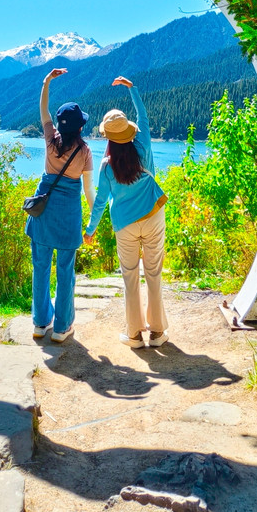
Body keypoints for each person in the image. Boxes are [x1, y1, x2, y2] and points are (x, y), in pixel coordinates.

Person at [84, 77, 168, 348]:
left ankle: (134, 335)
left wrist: (90, 230)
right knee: (154, 274)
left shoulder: (107, 166)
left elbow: (100, 202)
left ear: (107, 137)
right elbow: (144, 117)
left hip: (125, 226)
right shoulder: (143, 146)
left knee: (130, 277)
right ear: (129, 130)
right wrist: (132, 88)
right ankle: (157, 333)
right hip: (153, 217)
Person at [25, 68, 95, 343]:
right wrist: (93, 222)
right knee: (65, 272)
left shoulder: (50, 140)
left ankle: (40, 323)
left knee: (40, 268)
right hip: (68, 217)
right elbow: (88, 190)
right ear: (79, 127)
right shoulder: (85, 151)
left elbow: (43, 110)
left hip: (42, 214)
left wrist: (47, 82)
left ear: (59, 125)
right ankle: (62, 327)